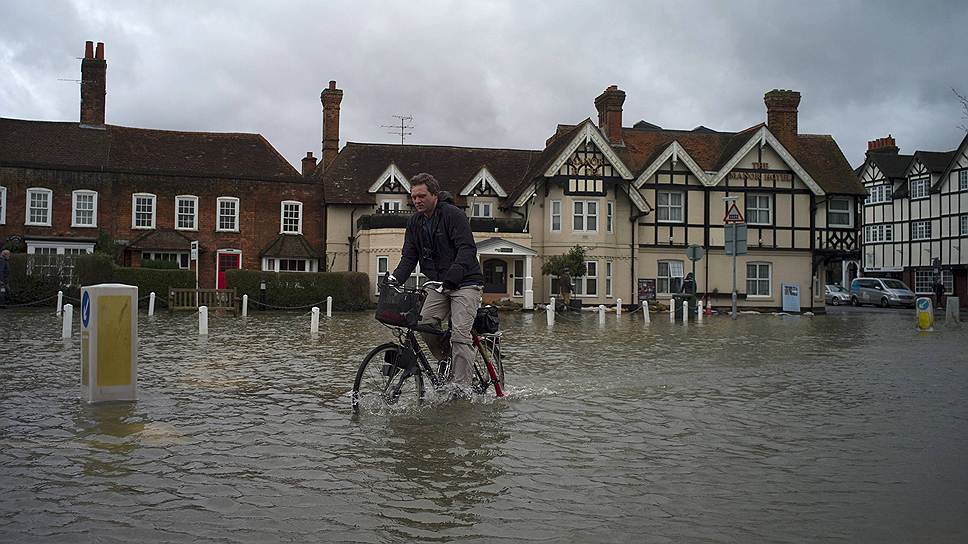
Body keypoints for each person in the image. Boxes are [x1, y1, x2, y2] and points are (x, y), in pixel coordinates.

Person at [387, 173, 483, 396]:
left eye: (422, 196)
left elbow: (467, 249)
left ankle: (461, 388)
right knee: (424, 324)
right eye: (414, 197)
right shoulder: (415, 222)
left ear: (435, 195)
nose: (417, 201)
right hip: (437, 284)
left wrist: (453, 276)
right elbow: (409, 257)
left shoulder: (453, 215)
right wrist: (394, 279)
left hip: (465, 282)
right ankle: (448, 359)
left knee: (460, 333)